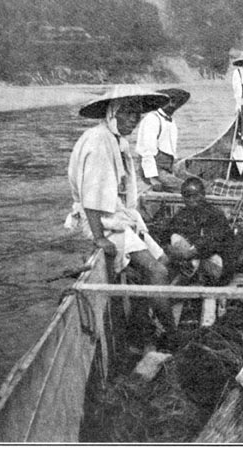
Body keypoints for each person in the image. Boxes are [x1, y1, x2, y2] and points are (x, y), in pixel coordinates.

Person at [64, 85, 177, 335]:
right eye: (127, 113)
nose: (133, 119)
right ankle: (172, 332)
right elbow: (91, 198)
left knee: (163, 260)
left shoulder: (117, 140)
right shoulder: (99, 141)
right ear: (112, 113)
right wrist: (100, 237)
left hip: (115, 215)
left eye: (137, 114)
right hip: (99, 221)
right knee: (157, 271)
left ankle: (142, 317)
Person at [159, 177, 235, 286]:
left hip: (216, 263)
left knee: (201, 260)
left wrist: (188, 255)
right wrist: (172, 251)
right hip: (191, 260)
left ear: (203, 195)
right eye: (187, 196)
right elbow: (165, 237)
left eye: (195, 195)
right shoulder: (181, 215)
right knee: (174, 239)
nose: (191, 200)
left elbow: (212, 243)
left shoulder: (215, 215)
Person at [136, 87, 191, 192]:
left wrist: (175, 168)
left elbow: (171, 150)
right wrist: (152, 179)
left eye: (177, 102)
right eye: (170, 101)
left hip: (168, 168)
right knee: (189, 189)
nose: (173, 104)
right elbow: (146, 151)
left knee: (200, 183)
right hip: (154, 171)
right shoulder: (152, 119)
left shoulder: (171, 121)